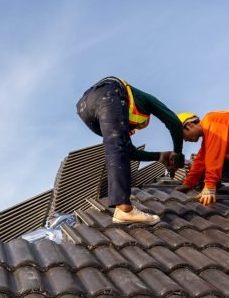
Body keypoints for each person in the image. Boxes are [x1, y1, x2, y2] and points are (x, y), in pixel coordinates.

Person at [76, 77, 184, 224]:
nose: (132, 130)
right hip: (108, 91)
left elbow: (128, 152)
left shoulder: (117, 115)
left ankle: (122, 207)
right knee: (117, 144)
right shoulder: (146, 100)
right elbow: (175, 123)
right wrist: (177, 153)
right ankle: (124, 208)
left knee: (119, 146)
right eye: (135, 126)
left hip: (85, 107)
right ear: (143, 118)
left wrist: (159, 156)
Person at [175, 111, 229, 205]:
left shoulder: (212, 120)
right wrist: (188, 183)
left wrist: (209, 186)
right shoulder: (208, 136)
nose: (186, 140)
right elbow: (200, 160)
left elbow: (214, 154)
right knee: (224, 165)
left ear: (189, 126)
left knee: (227, 157)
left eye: (183, 136)